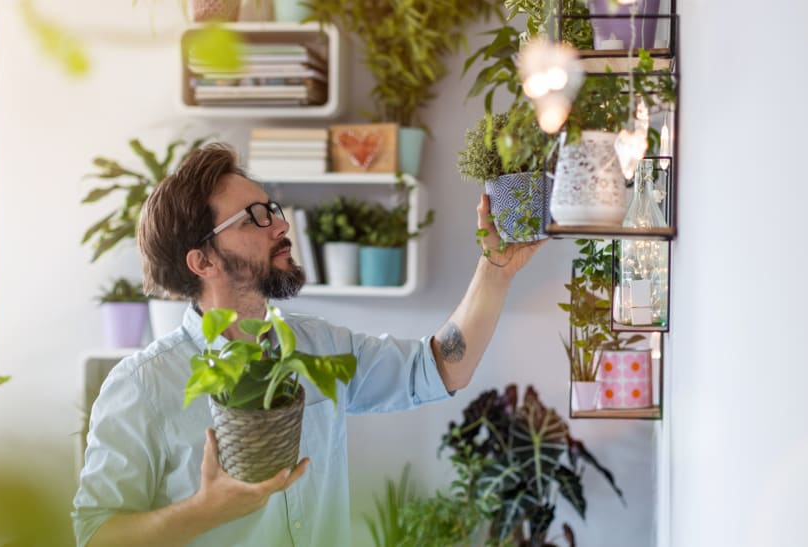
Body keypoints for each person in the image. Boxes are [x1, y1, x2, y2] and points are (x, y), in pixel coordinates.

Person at [72, 143, 543, 547]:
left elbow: (440, 368)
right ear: (202, 261)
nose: (280, 226)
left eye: (272, 210)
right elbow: (93, 536)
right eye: (254, 217)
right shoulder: (141, 387)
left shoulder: (316, 346)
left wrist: (495, 271)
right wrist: (205, 510)